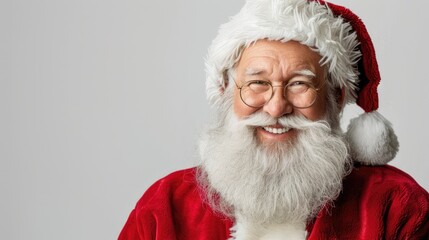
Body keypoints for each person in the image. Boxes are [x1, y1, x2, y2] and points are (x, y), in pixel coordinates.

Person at [119, 0, 429, 239]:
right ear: (226, 90)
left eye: (300, 84)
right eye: (257, 83)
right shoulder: (163, 208)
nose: (277, 107)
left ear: (335, 96)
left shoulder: (397, 207)